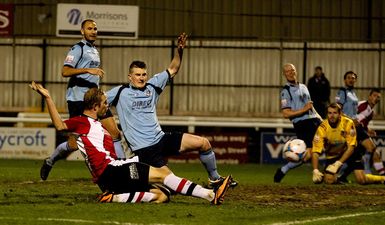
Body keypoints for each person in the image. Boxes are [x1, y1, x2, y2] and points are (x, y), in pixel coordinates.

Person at [30, 81, 233, 205]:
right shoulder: (82, 122)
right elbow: (59, 125)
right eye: (104, 104)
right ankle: (209, 195)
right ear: (94, 106)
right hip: (111, 171)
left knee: (161, 196)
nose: (107, 107)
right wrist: (48, 98)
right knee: (164, 175)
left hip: (108, 179)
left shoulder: (94, 124)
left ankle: (115, 198)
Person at [106, 33, 237, 188]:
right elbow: (97, 103)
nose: (141, 78)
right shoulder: (120, 92)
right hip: (145, 150)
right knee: (171, 185)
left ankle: (215, 179)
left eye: (143, 74)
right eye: (137, 75)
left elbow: (173, 68)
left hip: (161, 139)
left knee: (204, 143)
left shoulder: (152, 86)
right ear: (130, 77)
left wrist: (179, 50)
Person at [40, 19, 126, 181]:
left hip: (96, 100)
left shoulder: (94, 50)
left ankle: (123, 169)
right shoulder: (78, 48)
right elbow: (65, 71)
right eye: (89, 28)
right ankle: (50, 160)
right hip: (79, 101)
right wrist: (87, 69)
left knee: (115, 134)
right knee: (74, 144)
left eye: (95, 28)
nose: (93, 31)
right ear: (82, 31)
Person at [311, 103, 385, 185]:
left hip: (350, 153)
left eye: (335, 113)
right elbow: (315, 151)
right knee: (329, 180)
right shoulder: (322, 128)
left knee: (362, 180)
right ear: (327, 114)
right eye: (330, 113)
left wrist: (338, 164)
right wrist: (315, 170)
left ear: (340, 114)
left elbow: (351, 148)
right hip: (333, 154)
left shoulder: (348, 123)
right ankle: (340, 180)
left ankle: (382, 178)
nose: (332, 116)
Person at [274, 63, 321, 183]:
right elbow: (286, 114)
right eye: (287, 71)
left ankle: (284, 170)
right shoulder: (285, 91)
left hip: (314, 120)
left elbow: (310, 106)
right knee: (310, 153)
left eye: (292, 70)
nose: (290, 72)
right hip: (303, 124)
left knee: (323, 146)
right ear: (284, 74)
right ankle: (322, 174)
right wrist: (303, 110)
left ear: (296, 71)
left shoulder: (304, 86)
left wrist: (321, 119)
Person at [335, 72, 379, 181]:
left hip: (355, 127)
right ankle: (366, 170)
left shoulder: (353, 94)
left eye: (353, 78)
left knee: (356, 153)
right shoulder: (342, 92)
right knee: (369, 148)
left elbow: (356, 115)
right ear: (345, 80)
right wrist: (350, 120)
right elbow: (337, 111)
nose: (351, 80)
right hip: (348, 127)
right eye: (349, 78)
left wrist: (367, 129)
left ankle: (343, 177)